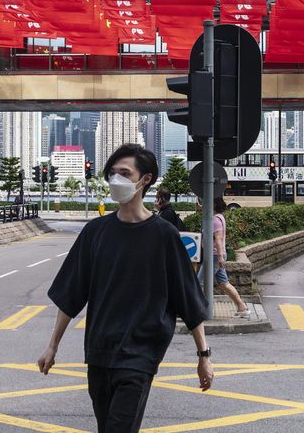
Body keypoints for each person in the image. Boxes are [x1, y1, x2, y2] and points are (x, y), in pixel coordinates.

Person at [38, 144, 212, 432]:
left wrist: (204, 357)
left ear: (145, 180)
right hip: (99, 351)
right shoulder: (95, 232)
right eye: (112, 173)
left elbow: (188, 298)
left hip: (140, 354)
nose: (115, 180)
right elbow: (71, 294)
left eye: (124, 173)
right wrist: (52, 346)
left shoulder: (164, 235)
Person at [211, 197, 249, 318]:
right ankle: (241, 307)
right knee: (223, 283)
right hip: (217, 254)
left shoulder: (215, 219)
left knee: (200, 282)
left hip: (215, 255)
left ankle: (195, 311)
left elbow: (218, 239)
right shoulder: (220, 217)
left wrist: (220, 257)